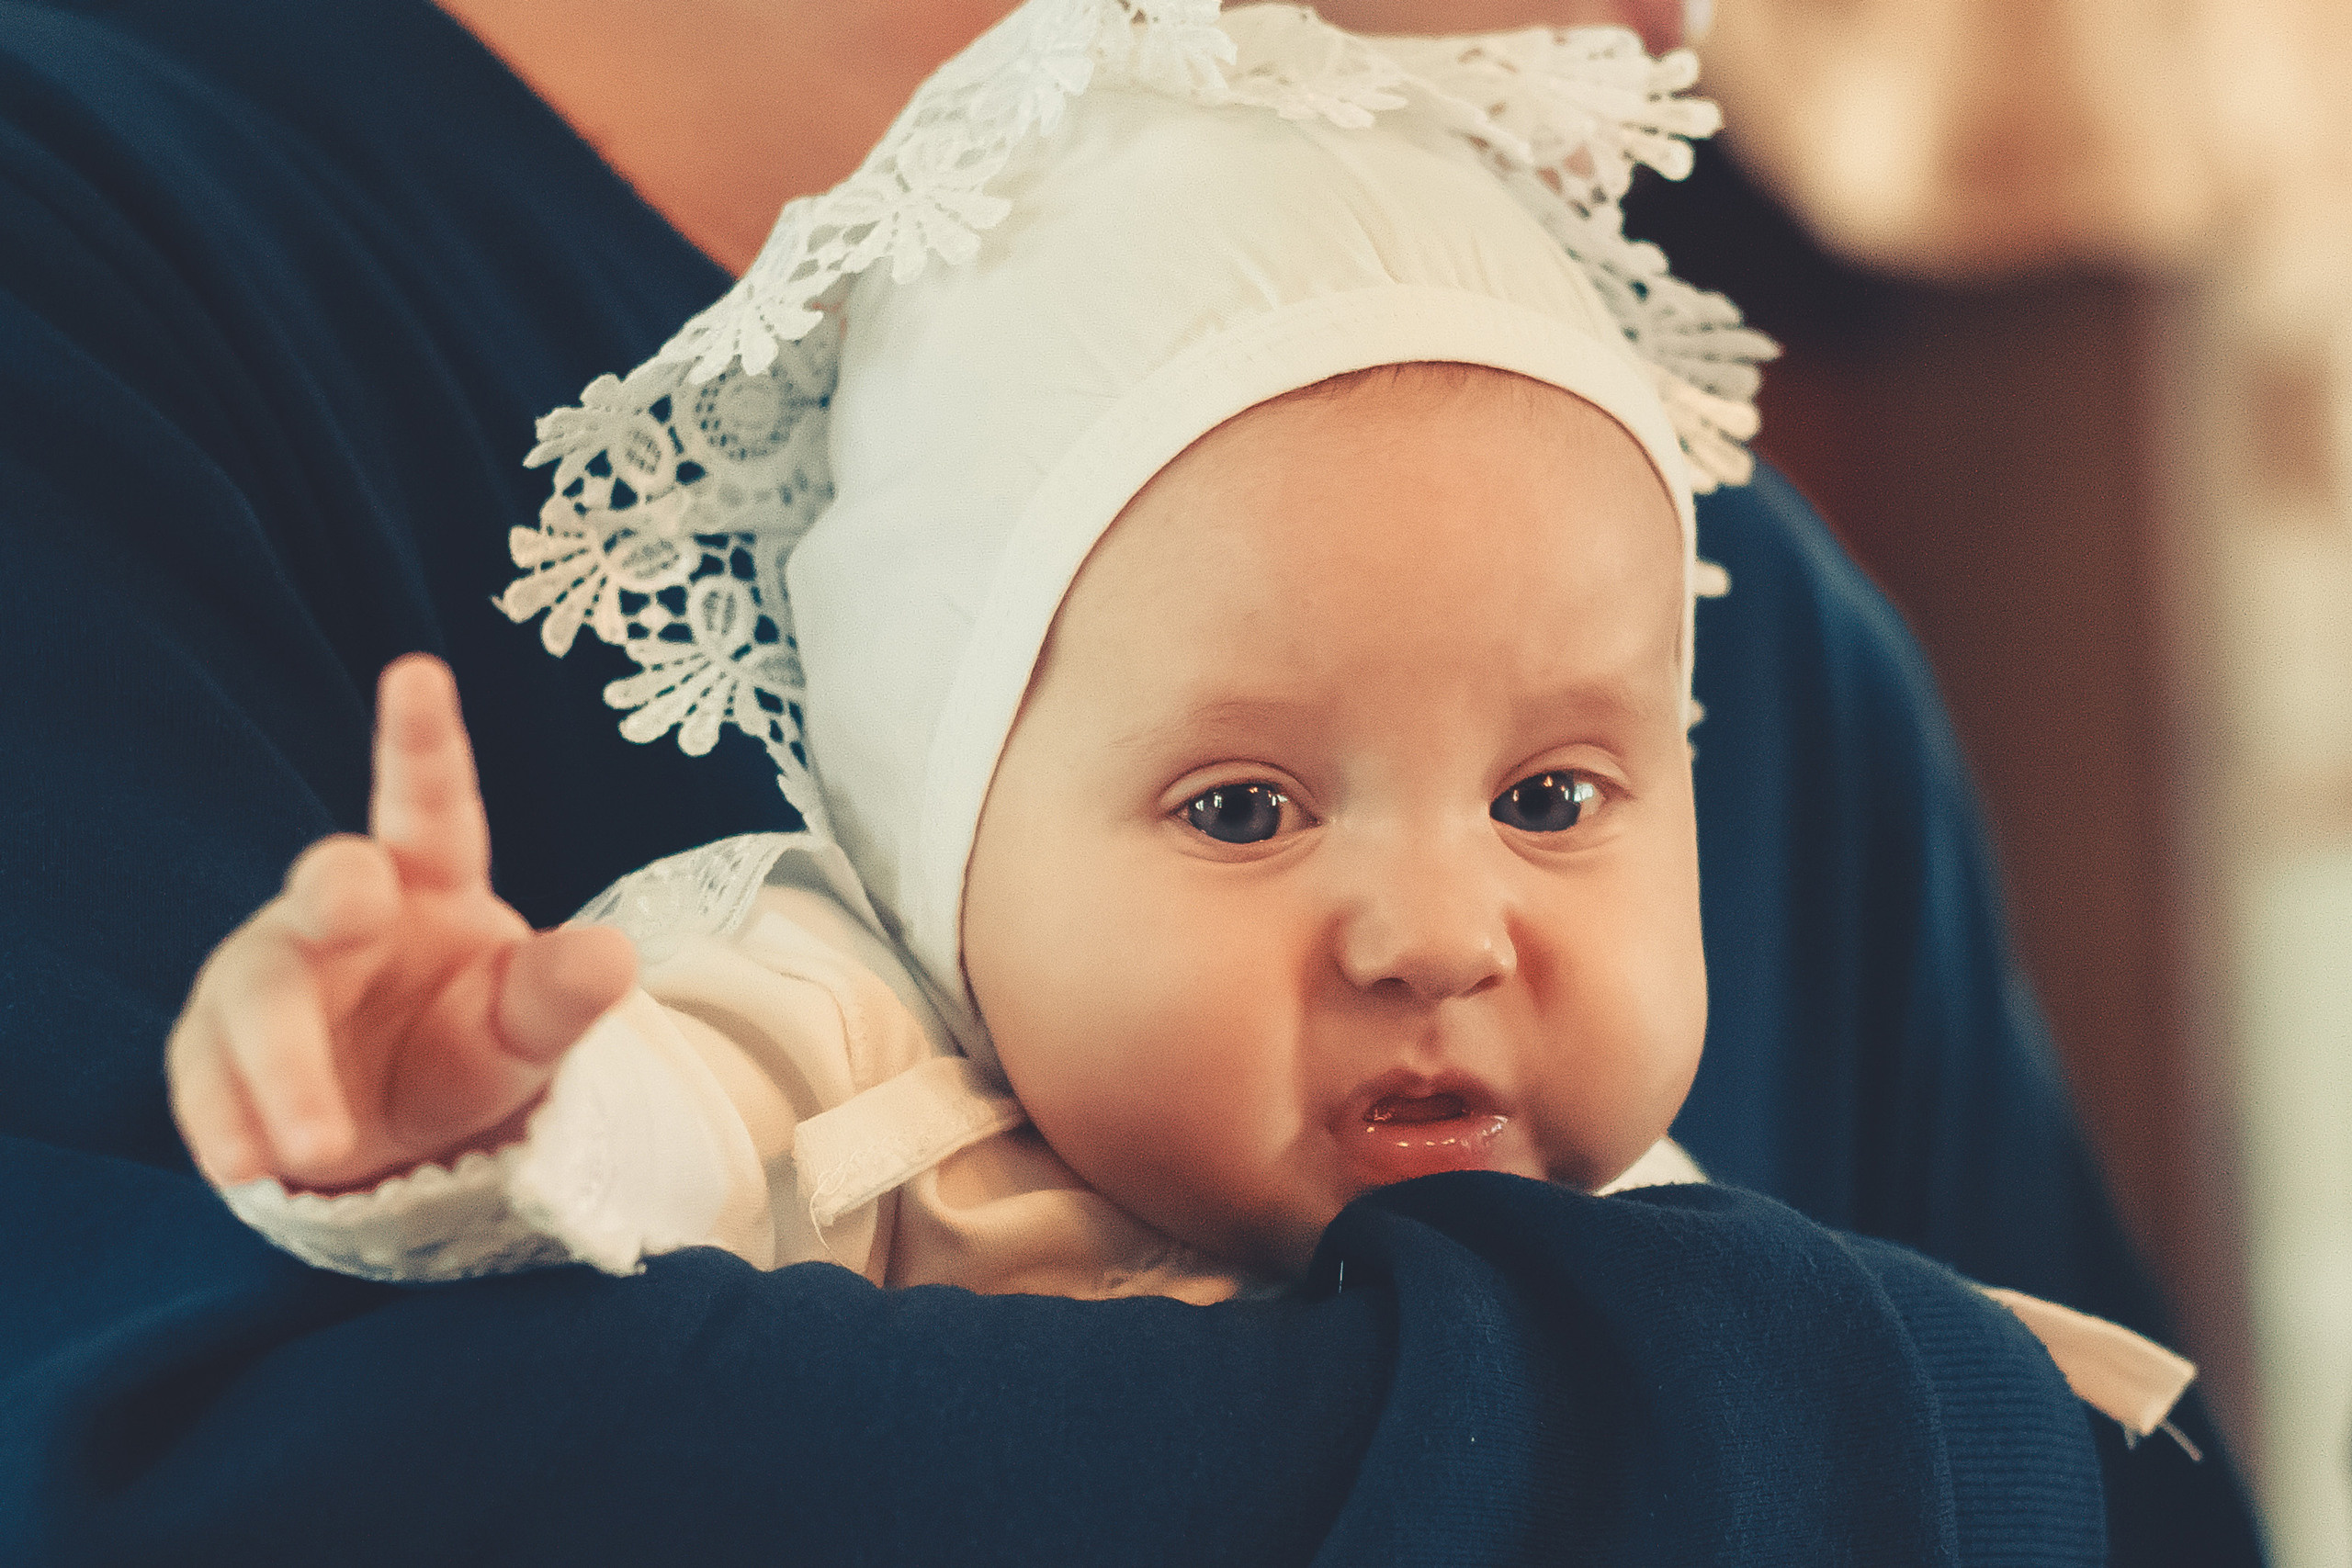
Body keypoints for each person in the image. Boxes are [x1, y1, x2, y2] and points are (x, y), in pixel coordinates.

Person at [0, 0, 2265, 1562]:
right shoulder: (93, 262)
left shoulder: (1739, 619)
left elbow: (2129, 1485)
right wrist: (1838, 1430)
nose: (1441, 934)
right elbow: (199, 1468)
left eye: (1557, 799)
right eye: (1241, 806)